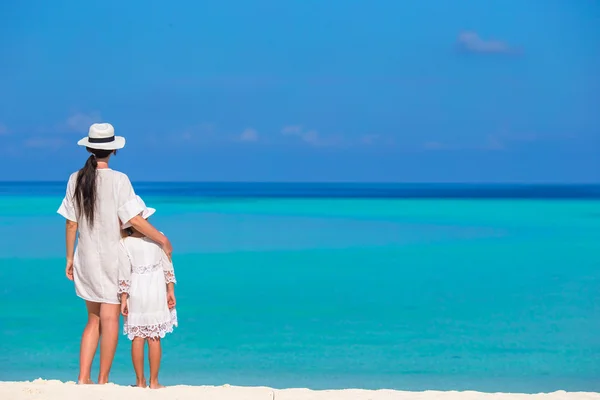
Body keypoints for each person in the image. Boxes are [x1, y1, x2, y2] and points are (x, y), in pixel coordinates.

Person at [57, 122, 173, 385]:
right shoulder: (120, 180)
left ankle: (82, 377)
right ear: (113, 151)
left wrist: (69, 258)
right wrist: (162, 239)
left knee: (92, 320)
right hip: (113, 258)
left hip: (85, 256)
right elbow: (134, 218)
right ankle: (102, 379)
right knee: (109, 321)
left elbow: (70, 222)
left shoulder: (75, 178)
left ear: (88, 147)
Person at [119, 196, 178, 389]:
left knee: (138, 337)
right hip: (155, 289)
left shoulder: (124, 243)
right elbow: (167, 265)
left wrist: (123, 299)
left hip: (136, 289)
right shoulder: (158, 236)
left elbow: (124, 273)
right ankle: (154, 382)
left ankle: (139, 382)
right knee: (154, 337)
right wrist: (170, 291)